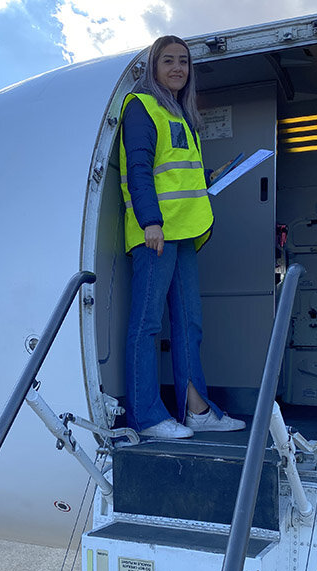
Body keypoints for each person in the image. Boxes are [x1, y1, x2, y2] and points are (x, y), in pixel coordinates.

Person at [120, 35, 245, 439]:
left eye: (184, 62)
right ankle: (147, 416)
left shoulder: (181, 114)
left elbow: (173, 174)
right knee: (146, 326)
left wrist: (210, 177)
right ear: (153, 67)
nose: (178, 68)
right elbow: (138, 169)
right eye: (168, 61)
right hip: (156, 232)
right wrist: (150, 222)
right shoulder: (141, 107)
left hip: (185, 231)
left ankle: (196, 409)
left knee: (189, 324)